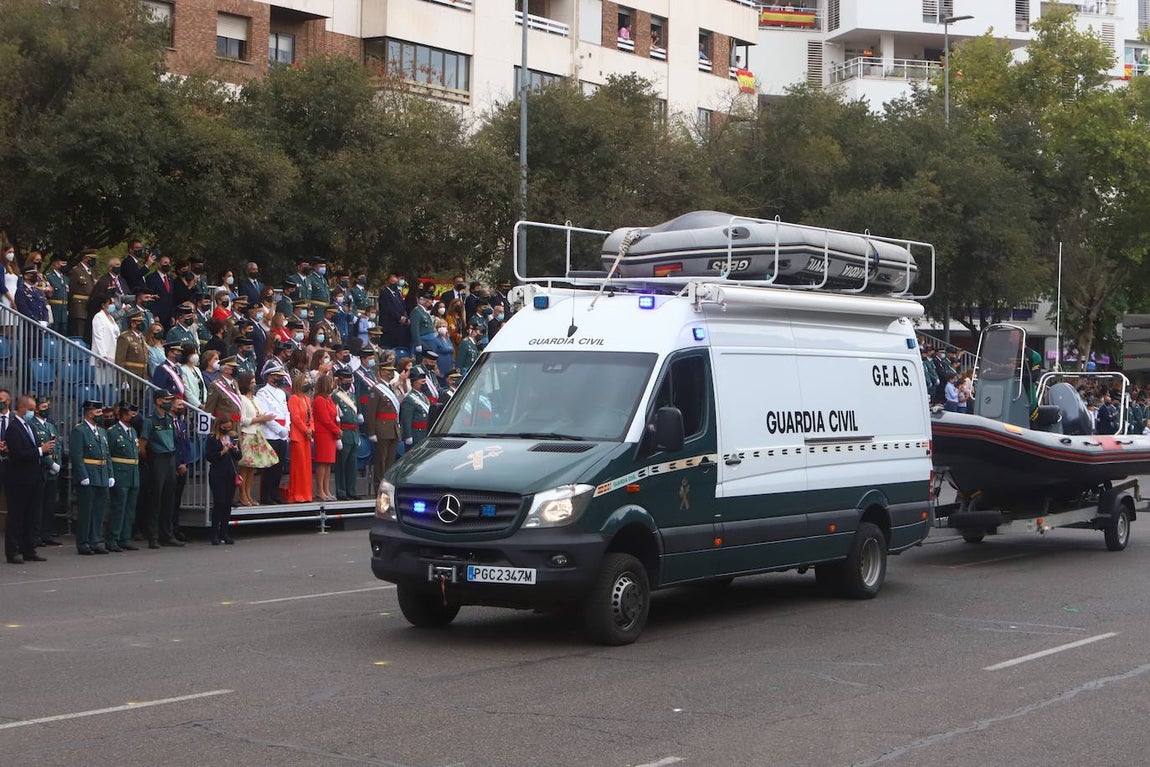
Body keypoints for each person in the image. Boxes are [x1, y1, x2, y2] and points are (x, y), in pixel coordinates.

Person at [5, 394, 54, 564]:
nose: (33, 413)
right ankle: (13, 551)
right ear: (22, 408)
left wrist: (45, 451)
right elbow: (19, 455)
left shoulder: (29, 427)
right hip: (19, 479)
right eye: (32, 410)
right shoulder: (13, 428)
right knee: (17, 516)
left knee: (31, 516)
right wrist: (41, 450)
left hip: (33, 477)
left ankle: (29, 549)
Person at [140, 389, 182, 548]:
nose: (169, 402)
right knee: (155, 500)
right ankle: (153, 536)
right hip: (158, 459)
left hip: (170, 458)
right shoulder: (150, 420)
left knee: (169, 500)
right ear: (158, 401)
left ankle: (167, 534)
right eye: (167, 399)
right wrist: (150, 460)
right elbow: (143, 445)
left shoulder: (170, 418)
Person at [70, 398, 111, 555]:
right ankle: (83, 542)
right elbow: (76, 455)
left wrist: (110, 474)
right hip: (88, 473)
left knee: (99, 510)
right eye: (98, 411)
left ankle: (95, 540)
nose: (100, 414)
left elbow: (106, 454)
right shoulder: (79, 430)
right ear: (89, 413)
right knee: (86, 511)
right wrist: (82, 475)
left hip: (101, 473)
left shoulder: (101, 431)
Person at [235, 371, 277, 505]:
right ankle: (242, 495)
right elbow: (242, 420)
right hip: (246, 434)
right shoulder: (241, 399)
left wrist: (266, 418)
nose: (254, 385)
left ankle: (248, 494)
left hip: (257, 433)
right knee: (244, 467)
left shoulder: (256, 399)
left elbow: (261, 414)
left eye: (254, 383)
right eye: (251, 383)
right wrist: (260, 419)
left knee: (252, 468)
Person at [106, 401, 141, 552]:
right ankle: (113, 538)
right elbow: (109, 454)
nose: (132, 416)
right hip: (120, 472)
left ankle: (125, 538)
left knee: (130, 509)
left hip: (133, 472)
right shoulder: (113, 432)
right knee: (119, 507)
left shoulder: (132, 432)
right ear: (122, 415)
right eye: (129, 414)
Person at [31, 396, 63, 548]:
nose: (46, 409)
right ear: (36, 409)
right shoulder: (32, 425)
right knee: (38, 505)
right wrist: (50, 464)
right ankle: (35, 535)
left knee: (50, 504)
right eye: (43, 407)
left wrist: (58, 464)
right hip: (41, 469)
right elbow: (37, 448)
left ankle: (47, 534)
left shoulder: (50, 426)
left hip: (53, 470)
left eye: (47, 406)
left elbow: (58, 447)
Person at [256, 368, 290, 504]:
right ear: (270, 377)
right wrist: (278, 429)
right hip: (270, 432)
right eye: (277, 376)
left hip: (282, 433)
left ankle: (275, 494)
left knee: (279, 467)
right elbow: (265, 414)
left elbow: (286, 411)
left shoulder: (282, 393)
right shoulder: (262, 393)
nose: (280, 378)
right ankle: (266, 496)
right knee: (269, 467)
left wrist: (286, 427)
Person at [206, 415, 242, 545]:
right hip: (217, 473)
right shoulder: (212, 438)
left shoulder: (233, 436)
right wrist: (222, 451)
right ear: (219, 425)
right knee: (219, 502)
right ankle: (214, 533)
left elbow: (239, 456)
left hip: (230, 473)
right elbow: (209, 456)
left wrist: (234, 449)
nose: (227, 429)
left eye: (229, 426)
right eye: (224, 426)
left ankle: (224, 532)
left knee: (227, 504)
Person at [364, 360, 401, 481]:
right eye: (388, 371)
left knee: (390, 461)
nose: (391, 373)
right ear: (381, 372)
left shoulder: (391, 388)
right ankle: (378, 486)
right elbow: (371, 412)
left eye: (392, 371)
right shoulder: (376, 389)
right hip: (382, 429)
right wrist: (372, 432)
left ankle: (386, 485)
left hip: (393, 429)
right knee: (381, 461)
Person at [332, 368, 361, 500]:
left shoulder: (352, 396)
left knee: (352, 465)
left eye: (350, 380)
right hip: (344, 432)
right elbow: (336, 416)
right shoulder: (335, 396)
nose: (348, 382)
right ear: (340, 380)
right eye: (346, 380)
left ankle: (352, 491)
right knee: (342, 464)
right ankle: (341, 491)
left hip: (354, 432)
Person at [312, 372, 340, 501]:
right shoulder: (319, 400)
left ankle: (326, 489)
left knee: (328, 463)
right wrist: (337, 430)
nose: (333, 385)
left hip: (331, 434)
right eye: (330, 383)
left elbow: (334, 415)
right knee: (322, 463)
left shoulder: (329, 399)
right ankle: (320, 490)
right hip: (323, 434)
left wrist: (336, 430)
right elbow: (325, 419)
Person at [287, 372, 314, 502]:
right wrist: (306, 430)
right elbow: (296, 418)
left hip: (307, 436)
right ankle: (297, 494)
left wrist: (311, 429)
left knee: (306, 466)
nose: (306, 384)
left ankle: (306, 494)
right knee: (299, 466)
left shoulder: (308, 399)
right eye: (304, 382)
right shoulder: (294, 398)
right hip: (298, 435)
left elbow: (311, 417)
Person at [67, 248, 97, 339]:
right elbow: (71, 290)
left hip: (89, 308)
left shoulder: (91, 272)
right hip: (78, 308)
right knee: (79, 334)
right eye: (92, 258)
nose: (94, 261)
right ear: (86, 258)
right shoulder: (76, 271)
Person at [400, 367, 433, 449]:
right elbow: (406, 419)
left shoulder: (424, 396)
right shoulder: (409, 398)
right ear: (414, 382)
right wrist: (408, 436)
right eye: (422, 382)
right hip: (416, 434)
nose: (424, 385)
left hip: (425, 432)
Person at [143, 253, 175, 329]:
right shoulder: (151, 278)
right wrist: (154, 314)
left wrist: (173, 315)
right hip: (157, 315)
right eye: (165, 263)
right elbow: (150, 297)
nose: (168, 265)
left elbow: (172, 297)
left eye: (169, 263)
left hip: (168, 316)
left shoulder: (170, 279)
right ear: (159, 264)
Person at [44, 253, 69, 335]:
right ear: (56, 263)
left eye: (66, 264)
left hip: (64, 310)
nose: (65, 266)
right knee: (53, 332)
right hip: (55, 309)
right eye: (63, 263)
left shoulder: (66, 278)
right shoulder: (49, 277)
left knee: (64, 332)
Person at [180, 343, 207, 409]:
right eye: (193, 353)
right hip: (192, 407)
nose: (196, 355)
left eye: (196, 353)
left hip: (203, 404)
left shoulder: (197, 369)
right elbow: (187, 390)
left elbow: (203, 386)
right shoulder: (182, 369)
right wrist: (199, 405)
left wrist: (206, 402)